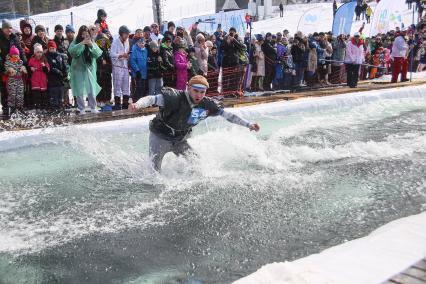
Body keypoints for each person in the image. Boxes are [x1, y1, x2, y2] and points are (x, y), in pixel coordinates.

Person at [129, 75, 260, 171]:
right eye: (195, 90)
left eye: (202, 92)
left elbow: (228, 115)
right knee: (154, 172)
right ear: (188, 88)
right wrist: (137, 105)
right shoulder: (174, 97)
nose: (198, 95)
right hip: (160, 136)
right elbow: (152, 99)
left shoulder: (207, 104)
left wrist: (249, 125)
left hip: (180, 140)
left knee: (198, 165)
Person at [68, 25, 103, 115]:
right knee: (79, 89)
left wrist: (91, 45)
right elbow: (72, 52)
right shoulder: (75, 41)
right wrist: (81, 44)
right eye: (83, 34)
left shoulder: (91, 41)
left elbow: (98, 53)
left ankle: (93, 107)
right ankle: (81, 108)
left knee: (91, 88)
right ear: (80, 34)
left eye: (86, 34)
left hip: (90, 69)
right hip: (78, 69)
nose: (85, 36)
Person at [111, 25, 131, 109]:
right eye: (125, 34)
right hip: (117, 66)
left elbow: (127, 52)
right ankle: (117, 104)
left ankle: (125, 104)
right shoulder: (115, 42)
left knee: (126, 85)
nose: (127, 36)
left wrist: (127, 55)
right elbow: (112, 54)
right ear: (121, 34)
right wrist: (120, 55)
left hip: (125, 66)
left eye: (127, 34)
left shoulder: (127, 42)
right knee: (117, 85)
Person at [4, 45, 27, 114]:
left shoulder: (20, 62)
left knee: (20, 94)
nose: (15, 56)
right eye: (14, 54)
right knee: (12, 94)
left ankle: (20, 107)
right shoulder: (8, 62)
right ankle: (11, 108)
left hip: (20, 80)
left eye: (16, 54)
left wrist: (24, 69)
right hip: (12, 81)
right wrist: (9, 70)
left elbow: (25, 71)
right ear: (11, 55)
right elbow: (6, 71)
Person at [46, 40, 67, 110]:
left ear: (56, 48)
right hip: (52, 79)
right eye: (50, 48)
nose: (52, 50)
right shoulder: (47, 56)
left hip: (60, 80)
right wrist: (58, 71)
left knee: (60, 94)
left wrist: (65, 73)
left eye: (53, 48)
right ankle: (54, 107)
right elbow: (50, 67)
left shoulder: (60, 56)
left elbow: (64, 65)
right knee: (54, 94)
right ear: (48, 49)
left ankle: (60, 106)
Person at [28, 43, 50, 109]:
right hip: (35, 79)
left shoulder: (44, 60)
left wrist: (44, 66)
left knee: (44, 95)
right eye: (38, 52)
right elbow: (29, 67)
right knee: (36, 95)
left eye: (40, 52)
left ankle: (44, 107)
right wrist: (30, 68)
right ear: (35, 53)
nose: (39, 54)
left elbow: (48, 70)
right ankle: (37, 107)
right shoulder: (32, 59)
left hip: (43, 80)